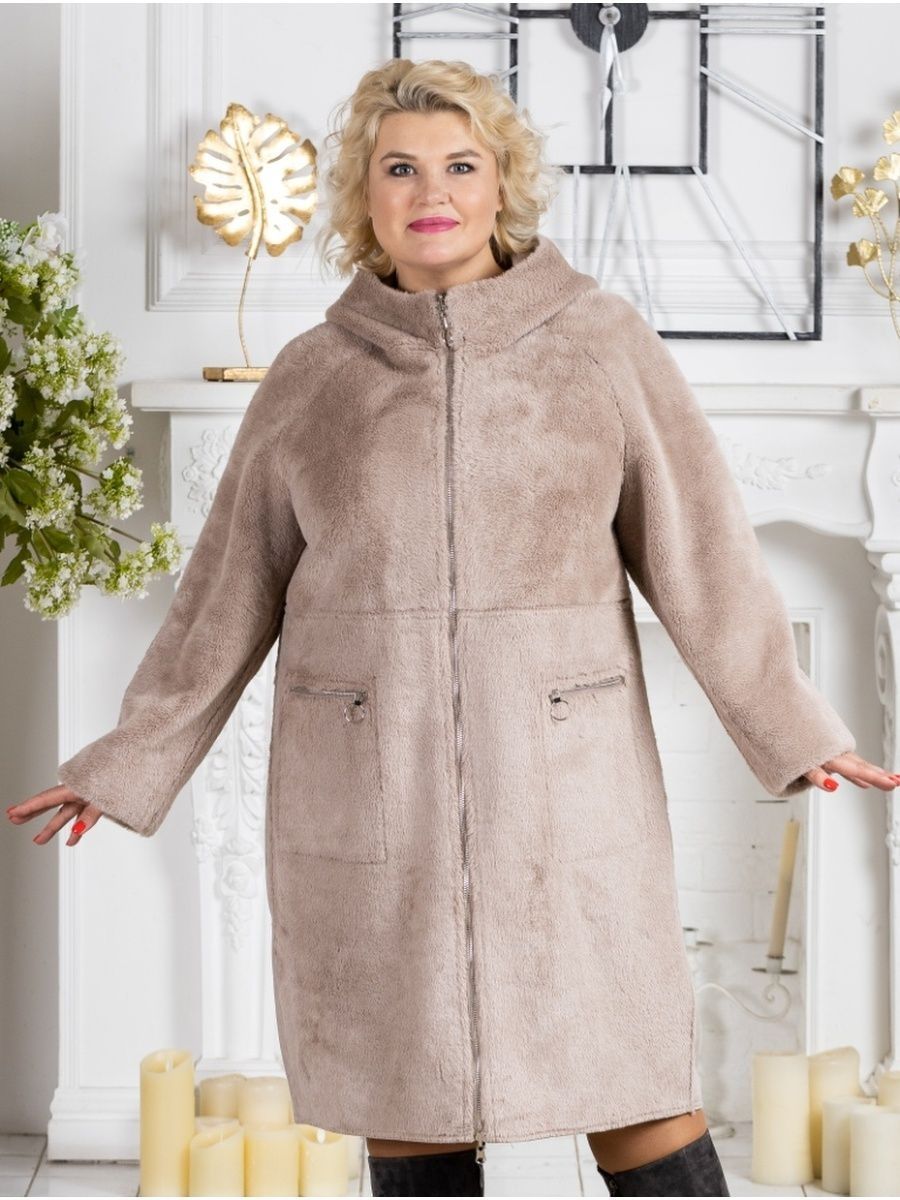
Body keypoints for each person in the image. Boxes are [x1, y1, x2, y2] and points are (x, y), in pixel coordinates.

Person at [7, 58, 899, 1199]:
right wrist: (127, 759)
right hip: (374, 790)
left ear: (503, 186)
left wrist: (794, 725)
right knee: (409, 1104)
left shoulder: (601, 343)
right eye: (401, 169)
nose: (432, 192)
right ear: (365, 197)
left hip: (566, 791)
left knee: (635, 1089)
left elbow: (706, 554)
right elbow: (223, 595)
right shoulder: (312, 377)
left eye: (461, 165)